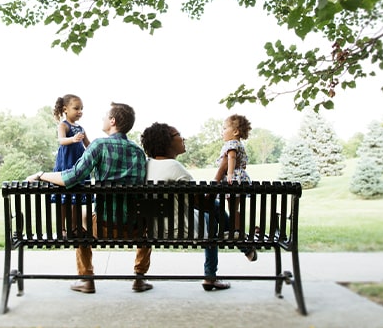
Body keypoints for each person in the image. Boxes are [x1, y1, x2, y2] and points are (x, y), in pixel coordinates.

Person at [26, 102, 152, 294]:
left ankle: (87, 279)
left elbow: (71, 177)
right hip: (133, 228)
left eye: (105, 116)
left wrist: (41, 174)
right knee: (146, 222)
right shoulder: (138, 151)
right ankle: (139, 278)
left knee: (79, 219)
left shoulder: (99, 145)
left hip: (103, 226)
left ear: (113, 121)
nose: (102, 118)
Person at [140, 122, 230, 291]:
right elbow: (205, 204)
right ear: (166, 141)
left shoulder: (147, 165)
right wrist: (221, 171)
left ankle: (233, 240)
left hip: (154, 229)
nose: (183, 138)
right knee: (213, 211)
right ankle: (233, 243)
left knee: (212, 214)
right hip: (180, 229)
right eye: (178, 134)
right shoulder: (174, 167)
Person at [214, 113, 257, 262]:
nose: (222, 131)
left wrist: (230, 174)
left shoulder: (232, 144)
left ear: (235, 132)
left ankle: (237, 231)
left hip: (234, 179)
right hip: (240, 178)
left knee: (232, 207)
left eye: (225, 128)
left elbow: (231, 158)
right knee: (234, 208)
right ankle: (238, 231)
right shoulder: (238, 144)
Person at [51, 94, 91, 234]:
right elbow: (61, 140)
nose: (80, 111)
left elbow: (89, 146)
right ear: (65, 109)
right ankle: (61, 228)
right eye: (76, 108)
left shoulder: (81, 128)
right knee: (64, 200)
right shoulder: (64, 125)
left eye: (81, 109)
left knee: (76, 200)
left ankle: (74, 227)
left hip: (78, 167)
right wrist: (73, 139)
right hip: (66, 165)